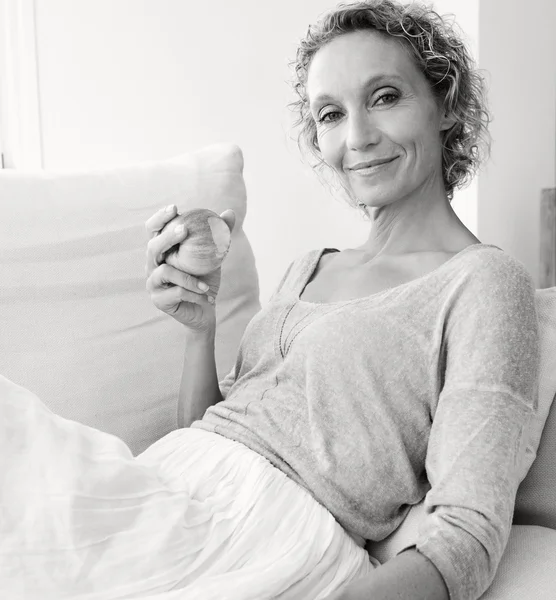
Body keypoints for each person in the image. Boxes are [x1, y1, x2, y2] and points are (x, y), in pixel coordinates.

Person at [0, 1, 539, 600]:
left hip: (264, 538)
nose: (356, 137)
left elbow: (466, 533)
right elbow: (217, 431)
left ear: (446, 105)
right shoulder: (309, 268)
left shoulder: (483, 282)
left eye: (385, 97)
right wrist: (198, 330)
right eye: (331, 114)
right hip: (172, 488)